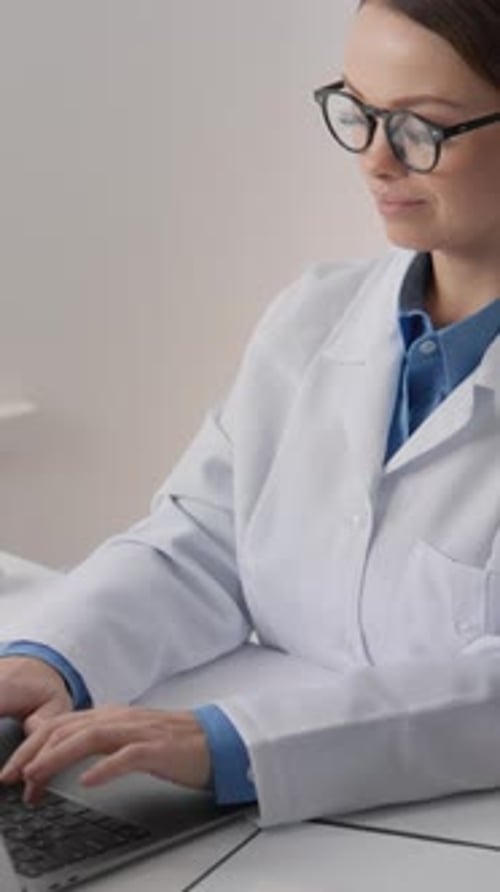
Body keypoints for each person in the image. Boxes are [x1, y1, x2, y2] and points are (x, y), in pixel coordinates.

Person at [0, 0, 499, 828]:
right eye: (359, 112)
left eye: (420, 128)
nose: (375, 160)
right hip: (278, 828)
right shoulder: (313, 316)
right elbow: (202, 542)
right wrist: (52, 658)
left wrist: (231, 741)